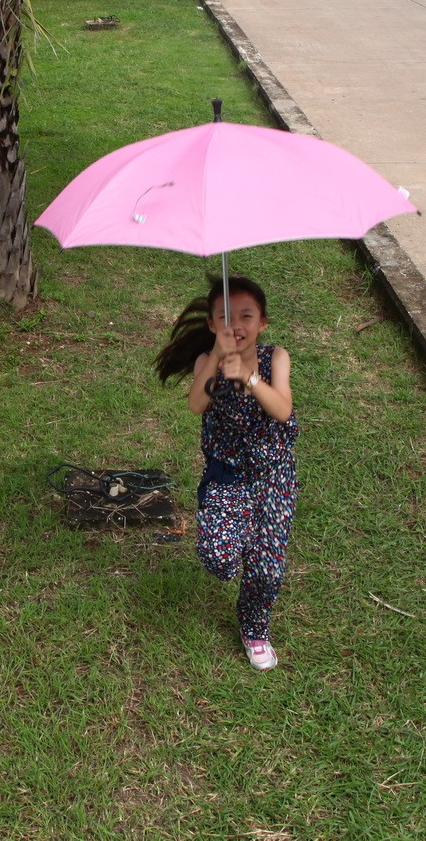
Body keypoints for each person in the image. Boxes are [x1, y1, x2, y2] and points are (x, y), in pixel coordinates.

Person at [154, 276, 297, 671]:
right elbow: (196, 404)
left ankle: (254, 630)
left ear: (262, 323)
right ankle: (245, 542)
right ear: (213, 325)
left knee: (266, 570)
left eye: (246, 316)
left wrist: (250, 380)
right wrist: (218, 361)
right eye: (225, 316)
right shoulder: (207, 362)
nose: (237, 324)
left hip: (273, 476)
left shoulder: (276, 358)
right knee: (219, 558)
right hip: (228, 475)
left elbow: (282, 410)